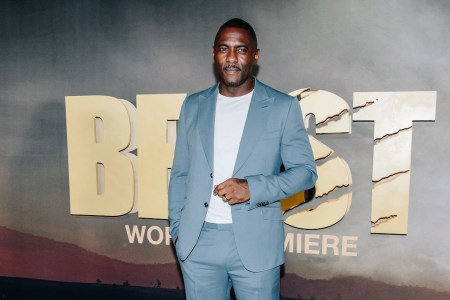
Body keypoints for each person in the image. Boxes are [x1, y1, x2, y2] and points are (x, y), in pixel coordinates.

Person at [168, 18, 317, 300]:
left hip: (255, 244)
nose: (232, 58)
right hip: (198, 244)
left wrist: (252, 187)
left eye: (242, 49)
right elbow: (180, 174)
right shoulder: (193, 105)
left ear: (255, 55)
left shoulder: (282, 107)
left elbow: (305, 173)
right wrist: (179, 232)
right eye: (224, 49)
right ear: (214, 53)